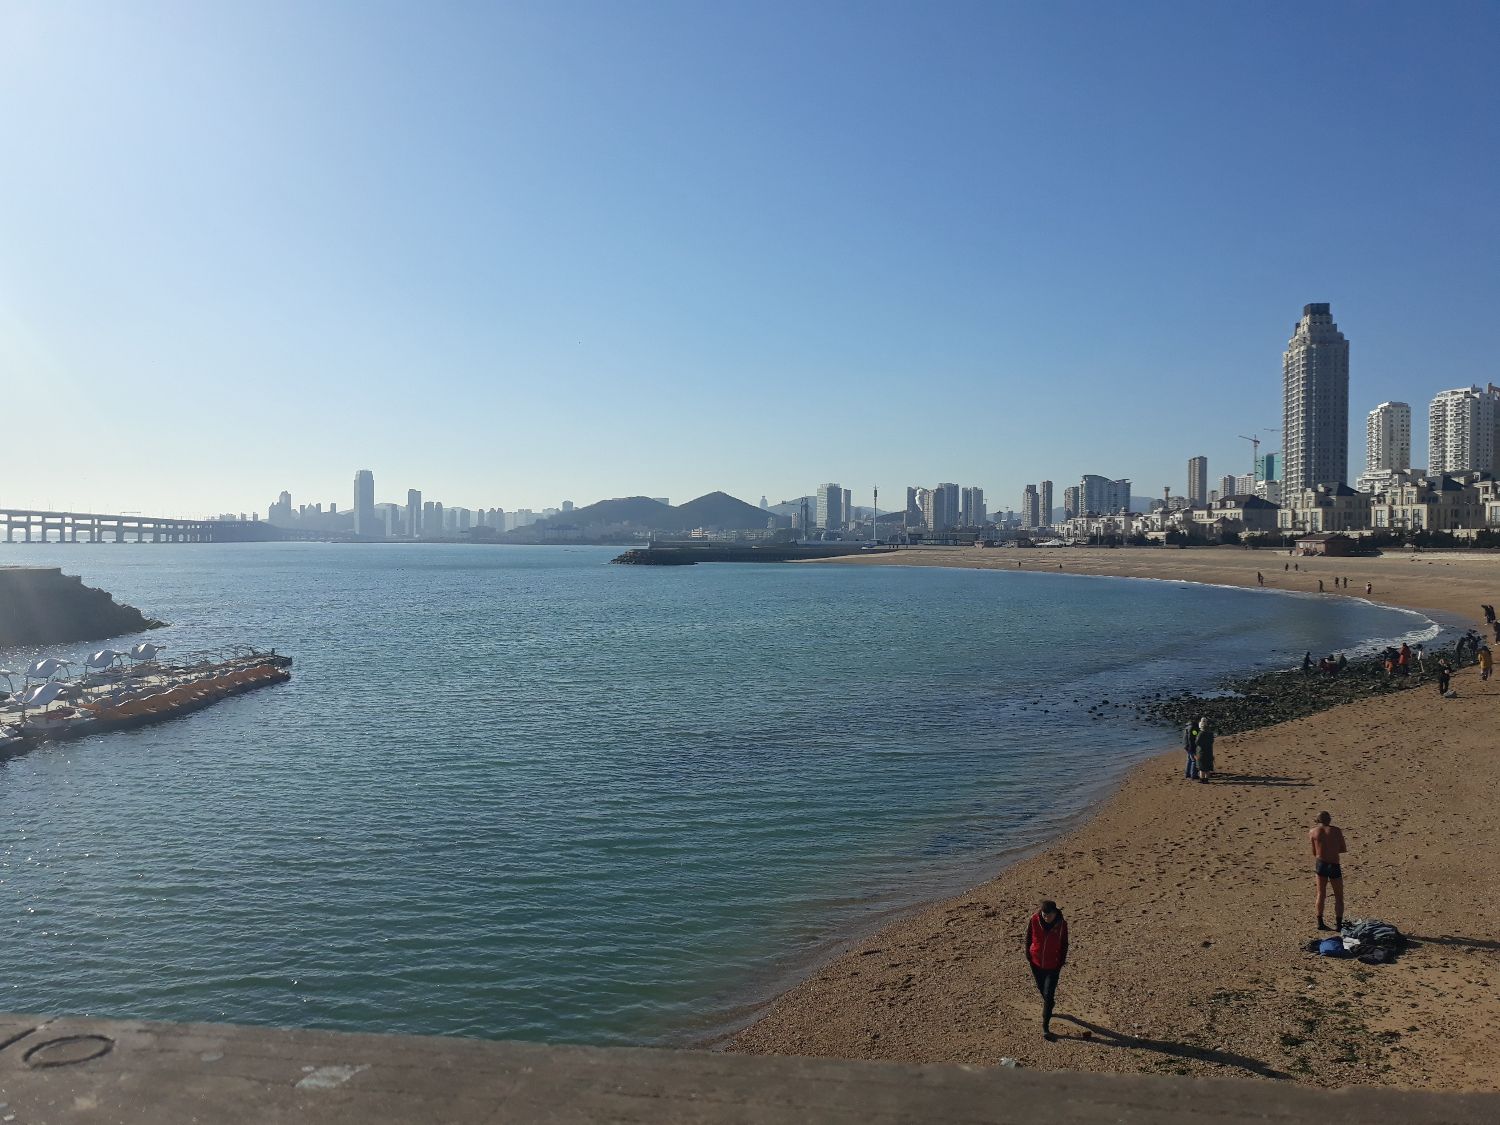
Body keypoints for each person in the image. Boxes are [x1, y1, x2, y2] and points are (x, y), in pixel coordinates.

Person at [1025, 900, 1068, 1041]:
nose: (1046, 917)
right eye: (1044, 914)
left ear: (1055, 913)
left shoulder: (1061, 925)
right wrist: (1028, 954)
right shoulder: (1034, 919)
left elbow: (1064, 944)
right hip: (1036, 963)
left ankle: (1045, 1027)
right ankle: (1049, 1005)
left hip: (1053, 966)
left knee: (1049, 995)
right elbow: (1029, 937)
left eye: (1048, 915)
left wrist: (1060, 962)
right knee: (1042, 990)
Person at [1310, 812, 1347, 931]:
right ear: (1329, 819)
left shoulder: (1313, 832)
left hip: (1321, 864)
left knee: (1321, 894)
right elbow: (1342, 848)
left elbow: (1314, 852)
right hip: (1334, 864)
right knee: (1339, 896)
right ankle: (1339, 924)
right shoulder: (1336, 831)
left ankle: (1320, 922)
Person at [1195, 716, 1215, 781]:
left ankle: (1202, 779)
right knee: (1207, 767)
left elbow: (1197, 742)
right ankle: (1206, 779)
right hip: (1209, 751)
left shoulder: (1200, 733)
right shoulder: (1210, 733)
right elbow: (1212, 741)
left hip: (1201, 752)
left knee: (1202, 768)